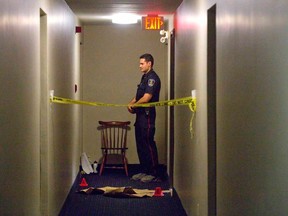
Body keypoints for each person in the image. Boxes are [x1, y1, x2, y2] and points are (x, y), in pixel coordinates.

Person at [128, 53, 161, 183]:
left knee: (148, 143)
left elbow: (147, 97)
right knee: (140, 144)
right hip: (140, 115)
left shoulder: (153, 78)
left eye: (142, 63)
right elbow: (139, 96)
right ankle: (144, 170)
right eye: (140, 63)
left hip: (147, 115)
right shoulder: (144, 77)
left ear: (149, 63)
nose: (140, 66)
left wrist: (135, 106)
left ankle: (153, 173)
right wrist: (130, 104)